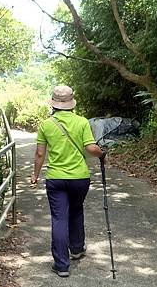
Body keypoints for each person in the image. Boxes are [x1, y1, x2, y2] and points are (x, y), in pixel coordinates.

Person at [30, 85, 106, 277]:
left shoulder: (46, 125)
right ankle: (77, 248)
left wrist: (35, 175)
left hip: (56, 179)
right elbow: (91, 148)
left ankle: (62, 265)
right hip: (80, 178)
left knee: (59, 218)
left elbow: (40, 153)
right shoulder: (81, 122)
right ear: (72, 103)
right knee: (76, 210)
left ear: (54, 104)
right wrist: (102, 154)